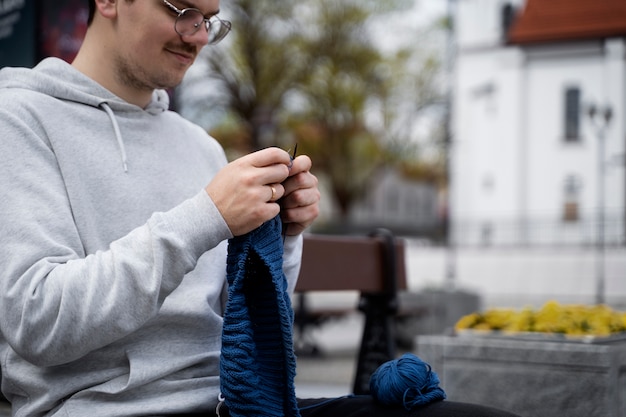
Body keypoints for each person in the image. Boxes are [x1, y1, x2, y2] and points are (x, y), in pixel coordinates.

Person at [0, 1, 520, 416]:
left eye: (209, 20)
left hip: (241, 405)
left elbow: (236, 321)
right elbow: (38, 321)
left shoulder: (198, 145)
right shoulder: (20, 120)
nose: (199, 36)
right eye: (181, 11)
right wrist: (205, 217)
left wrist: (284, 237)